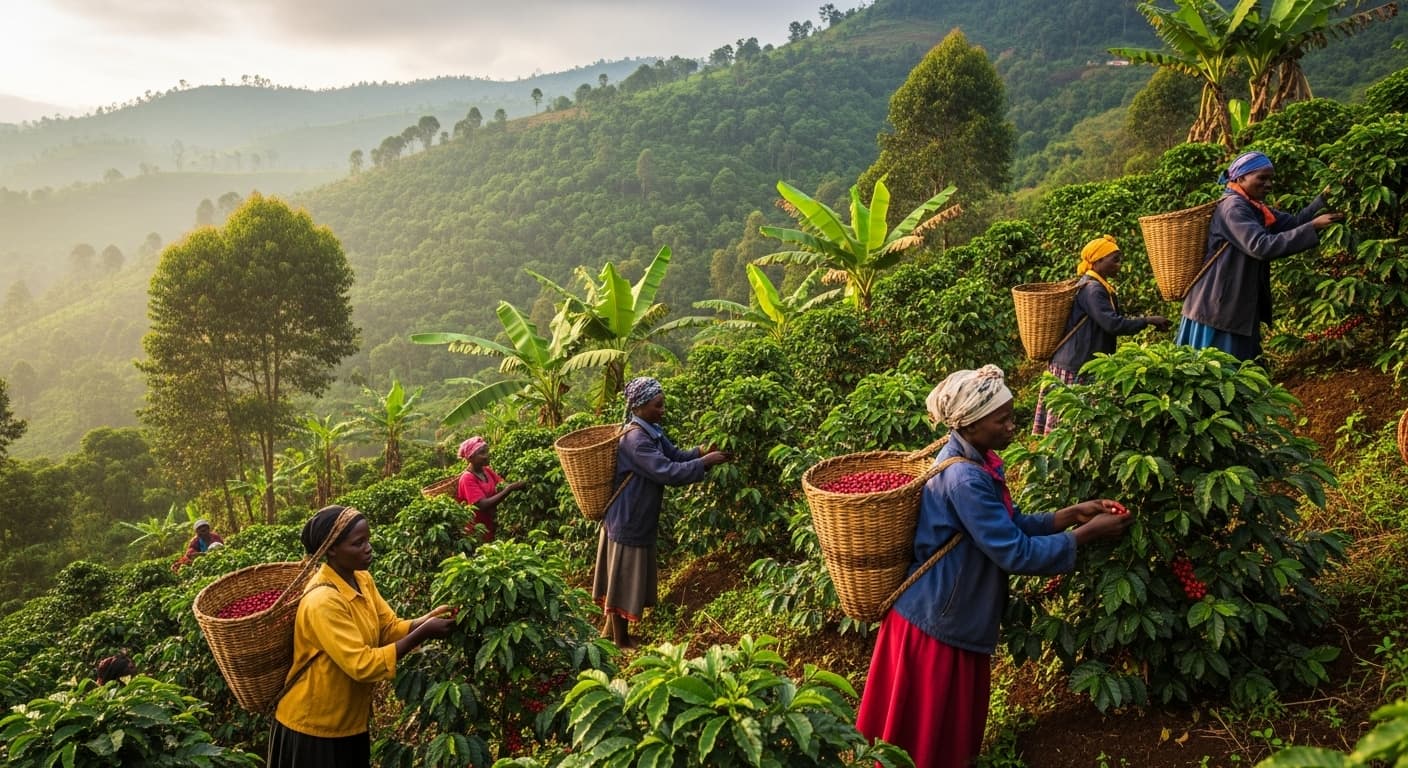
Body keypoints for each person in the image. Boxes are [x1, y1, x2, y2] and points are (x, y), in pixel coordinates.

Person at [857, 365, 1133, 768]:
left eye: (1011, 416)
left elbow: (1008, 523)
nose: (1011, 427)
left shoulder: (970, 458)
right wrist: (1087, 534)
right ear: (969, 424)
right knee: (925, 737)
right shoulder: (965, 480)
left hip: (945, 610)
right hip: (938, 621)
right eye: (1001, 420)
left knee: (933, 731)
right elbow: (1015, 552)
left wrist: (1072, 513)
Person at [269, 505, 455, 768]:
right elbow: (362, 665)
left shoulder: (362, 579)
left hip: (349, 723)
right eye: (358, 543)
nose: (368, 548)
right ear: (332, 549)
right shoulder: (323, 601)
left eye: (367, 540)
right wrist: (424, 632)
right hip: (313, 728)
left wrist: (427, 619)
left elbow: (388, 628)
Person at [592, 377, 732, 649]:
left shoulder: (651, 430)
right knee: (622, 581)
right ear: (641, 406)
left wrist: (701, 451)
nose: (662, 410)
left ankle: (614, 634)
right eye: (658, 406)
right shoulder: (635, 439)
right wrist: (704, 463)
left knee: (625, 578)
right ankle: (621, 641)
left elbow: (676, 456)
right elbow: (667, 472)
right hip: (627, 519)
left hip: (638, 517)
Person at [1176, 151, 1343, 362]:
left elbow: (1293, 222)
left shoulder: (1253, 207)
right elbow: (1260, 246)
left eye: (1270, 178)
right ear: (1240, 178)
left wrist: (1325, 197)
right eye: (1262, 178)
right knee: (1218, 373)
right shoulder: (1233, 207)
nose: (1269, 184)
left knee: (1237, 372)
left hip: (1233, 305)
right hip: (1219, 307)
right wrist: (1313, 226)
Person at [1032, 235, 1170, 435]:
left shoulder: (1096, 284)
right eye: (1114, 259)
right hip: (1076, 365)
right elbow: (1112, 324)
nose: (1119, 265)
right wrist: (1148, 320)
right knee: (1069, 431)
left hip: (1076, 361)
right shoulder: (1093, 289)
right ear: (1097, 262)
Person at [455, 436, 527, 542]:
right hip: (477, 532)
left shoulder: (486, 470)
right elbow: (482, 505)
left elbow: (501, 485)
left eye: (486, 452)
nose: (486, 455)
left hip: (492, 525)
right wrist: (509, 489)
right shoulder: (467, 478)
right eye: (482, 453)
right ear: (470, 458)